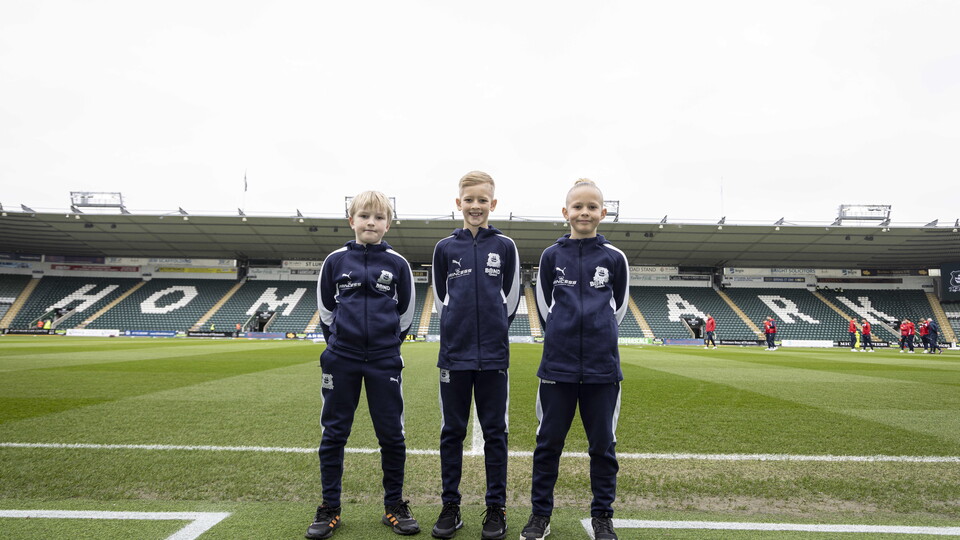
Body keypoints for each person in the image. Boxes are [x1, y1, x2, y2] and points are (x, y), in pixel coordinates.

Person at [306, 191, 419, 540]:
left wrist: (385, 346)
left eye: (379, 217)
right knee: (334, 434)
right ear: (351, 220)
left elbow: (406, 315)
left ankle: (394, 505)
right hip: (342, 359)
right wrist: (341, 344)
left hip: (384, 359)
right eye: (365, 216)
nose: (372, 222)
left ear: (389, 223)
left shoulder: (398, 263)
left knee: (392, 435)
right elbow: (326, 310)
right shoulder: (335, 261)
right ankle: (330, 507)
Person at [524, 179, 629, 540]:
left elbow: (618, 309)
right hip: (558, 367)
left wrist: (596, 335)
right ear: (565, 212)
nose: (585, 212)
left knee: (603, 447)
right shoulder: (552, 256)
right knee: (548, 444)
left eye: (592, 206)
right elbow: (544, 306)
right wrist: (566, 335)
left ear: (603, 212)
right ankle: (540, 516)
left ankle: (602, 517)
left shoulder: (615, 258)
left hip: (602, 368)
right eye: (578, 206)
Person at [430, 171, 521, 540]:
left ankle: (495, 508)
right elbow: (440, 301)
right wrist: (455, 325)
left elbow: (511, 299)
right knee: (452, 433)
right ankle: (450, 506)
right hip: (454, 355)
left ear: (493, 204)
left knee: (495, 433)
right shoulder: (443, 249)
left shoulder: (506, 246)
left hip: (494, 358)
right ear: (458, 203)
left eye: (483, 200)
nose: (476, 206)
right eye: (469, 200)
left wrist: (496, 326)